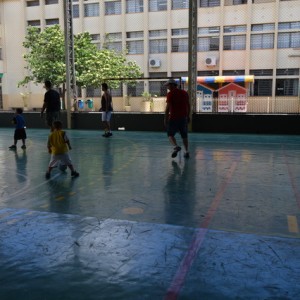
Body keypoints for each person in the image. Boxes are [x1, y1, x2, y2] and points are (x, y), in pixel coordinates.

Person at [164, 79, 190, 158]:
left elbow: (168, 108)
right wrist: (188, 116)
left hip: (174, 118)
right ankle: (186, 151)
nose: (167, 87)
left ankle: (176, 146)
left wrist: (165, 118)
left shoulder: (170, 94)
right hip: (183, 118)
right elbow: (188, 105)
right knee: (184, 135)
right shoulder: (185, 93)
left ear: (172, 85)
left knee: (170, 134)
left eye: (168, 85)